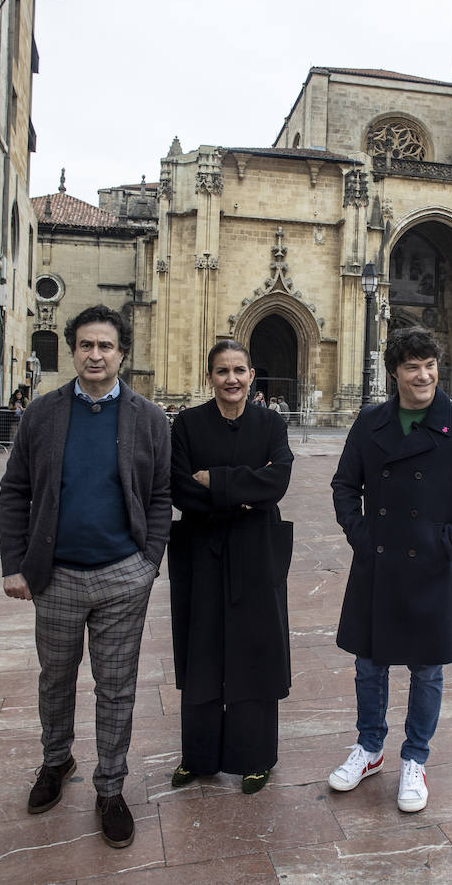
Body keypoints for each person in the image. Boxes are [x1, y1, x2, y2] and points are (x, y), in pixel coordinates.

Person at [0, 304, 171, 849]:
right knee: (56, 679)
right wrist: (15, 565)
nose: (95, 355)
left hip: (124, 576)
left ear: (122, 354)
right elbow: (15, 490)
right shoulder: (43, 414)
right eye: (86, 346)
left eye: (106, 347)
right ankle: (55, 761)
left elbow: (162, 495)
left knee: (116, 689)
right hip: (56, 578)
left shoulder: (149, 419)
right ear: (73, 351)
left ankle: (110, 787)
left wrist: (149, 563)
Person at [328, 327, 452, 814]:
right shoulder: (370, 422)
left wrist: (445, 543)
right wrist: (360, 535)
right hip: (377, 561)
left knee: (427, 669)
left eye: (429, 365)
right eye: (412, 367)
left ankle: (415, 758)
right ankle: (369, 748)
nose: (423, 376)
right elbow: (344, 485)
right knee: (369, 663)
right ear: (394, 373)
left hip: (430, 564)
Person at [168, 340, 294, 795]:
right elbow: (181, 488)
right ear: (210, 378)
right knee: (201, 649)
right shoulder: (186, 424)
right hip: (201, 550)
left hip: (257, 551)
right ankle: (197, 756)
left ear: (252, 374)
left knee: (254, 652)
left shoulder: (270, 423)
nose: (232, 379)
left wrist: (216, 479)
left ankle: (255, 758)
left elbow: (277, 481)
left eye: (239, 370)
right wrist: (243, 490)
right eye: (222, 371)